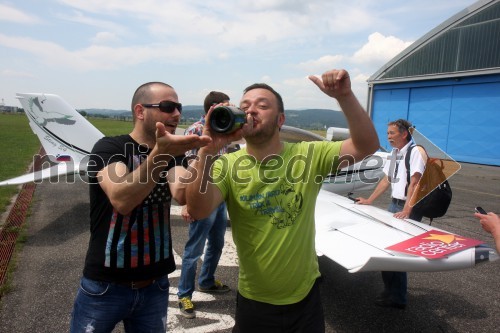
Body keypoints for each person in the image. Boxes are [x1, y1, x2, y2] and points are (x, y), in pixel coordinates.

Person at [185, 69, 379, 332]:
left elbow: (366, 145)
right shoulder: (226, 165)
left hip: (305, 298)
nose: (251, 110)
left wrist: (344, 97)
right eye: (244, 107)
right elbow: (197, 209)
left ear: (280, 120)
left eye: (262, 106)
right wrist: (207, 150)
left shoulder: (308, 155)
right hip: (254, 300)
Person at [69, 82, 210, 333]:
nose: (176, 114)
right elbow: (121, 199)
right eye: (167, 107)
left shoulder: (172, 154)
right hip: (105, 286)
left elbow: (182, 194)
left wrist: (207, 149)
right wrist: (160, 154)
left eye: (178, 107)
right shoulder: (110, 148)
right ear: (140, 111)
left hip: (154, 287)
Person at [356, 119, 426, 310]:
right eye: (387, 133)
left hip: (407, 208)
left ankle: (398, 297)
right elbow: (387, 180)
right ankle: (390, 291)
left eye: (392, 133)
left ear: (404, 134)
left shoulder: (415, 152)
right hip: (394, 205)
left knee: (399, 254)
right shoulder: (395, 153)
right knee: (387, 248)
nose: (388, 137)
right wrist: (370, 200)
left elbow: (415, 183)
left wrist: (407, 210)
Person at [177, 91, 232, 319]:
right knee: (194, 250)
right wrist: (189, 202)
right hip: (202, 197)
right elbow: (191, 168)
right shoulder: (195, 131)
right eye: (226, 106)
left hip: (219, 197)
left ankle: (206, 281)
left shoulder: (224, 130)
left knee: (217, 243)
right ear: (214, 108)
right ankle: (184, 294)